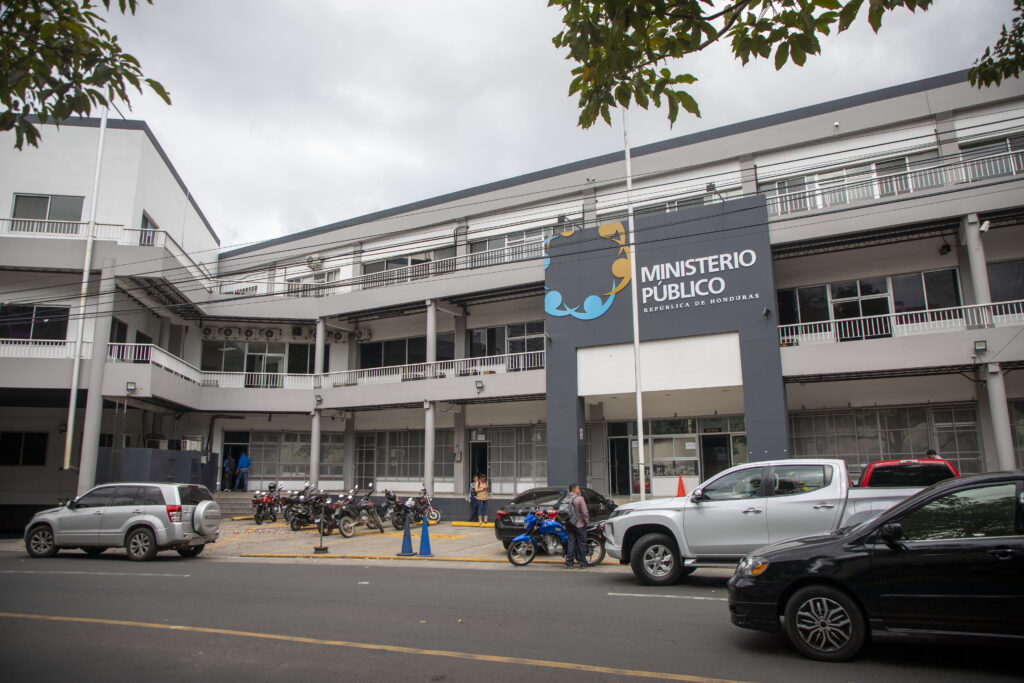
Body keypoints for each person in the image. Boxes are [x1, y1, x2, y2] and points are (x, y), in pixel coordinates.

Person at [564, 483, 590, 568]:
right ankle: (582, 563)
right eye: (578, 489)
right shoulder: (580, 499)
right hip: (579, 524)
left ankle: (569, 562)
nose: (579, 490)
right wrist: (586, 522)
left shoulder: (566, 498)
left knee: (571, 543)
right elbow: (585, 512)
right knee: (581, 543)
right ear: (574, 489)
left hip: (569, 524)